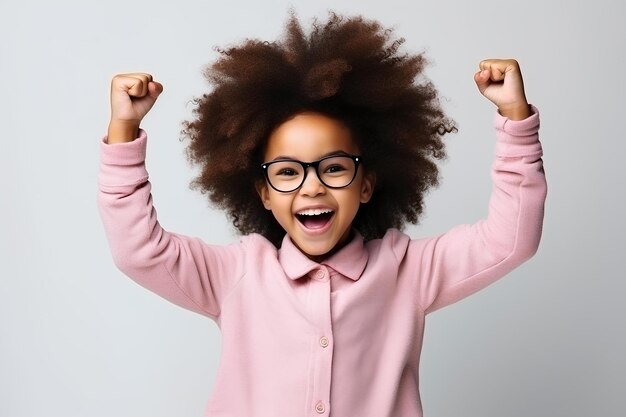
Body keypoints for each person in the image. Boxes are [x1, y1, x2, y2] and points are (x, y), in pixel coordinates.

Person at [98, 12, 546, 417]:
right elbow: (140, 251)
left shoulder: (406, 272)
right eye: (288, 172)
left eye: (334, 168)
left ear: (366, 184)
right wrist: (124, 132)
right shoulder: (236, 274)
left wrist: (514, 119)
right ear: (264, 194)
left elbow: (509, 240)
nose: (312, 186)